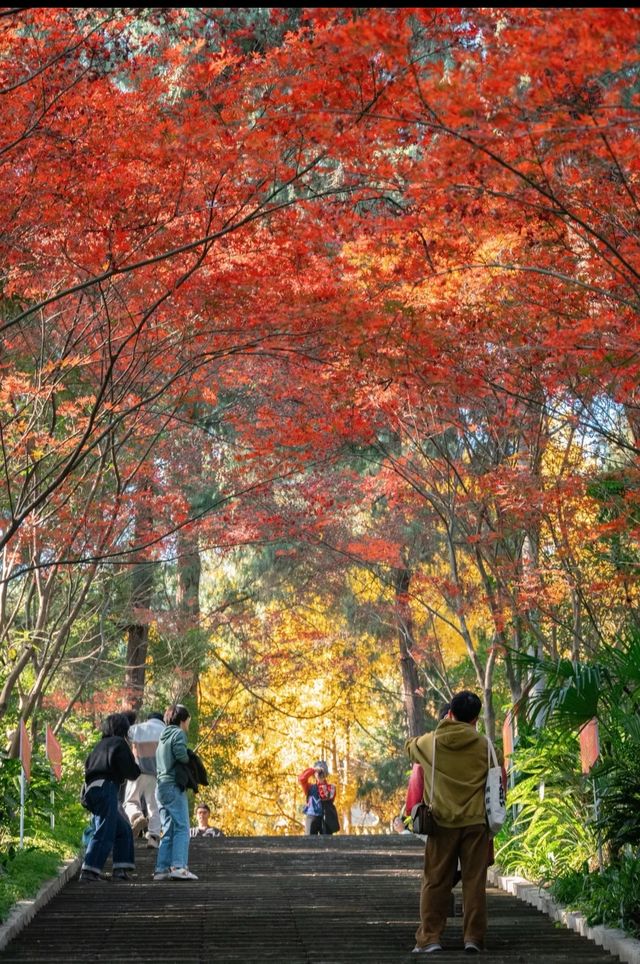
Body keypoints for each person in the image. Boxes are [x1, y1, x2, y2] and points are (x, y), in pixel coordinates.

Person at [406, 690, 499, 955]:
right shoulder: (484, 744)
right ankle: (473, 938)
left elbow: (409, 748)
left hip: (441, 822)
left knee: (435, 880)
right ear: (475, 718)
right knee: (474, 882)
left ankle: (430, 937)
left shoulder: (432, 742)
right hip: (475, 823)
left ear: (450, 713)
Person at [79, 712, 141, 882]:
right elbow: (132, 772)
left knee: (123, 829)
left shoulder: (100, 745)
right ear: (123, 729)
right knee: (105, 830)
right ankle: (89, 871)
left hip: (91, 790)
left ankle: (120, 869)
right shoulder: (119, 743)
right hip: (106, 787)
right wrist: (136, 760)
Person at [154, 703, 198, 881]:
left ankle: (161, 868)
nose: (188, 725)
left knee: (168, 828)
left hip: (160, 787)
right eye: (188, 721)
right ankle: (179, 866)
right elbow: (180, 755)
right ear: (182, 720)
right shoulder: (178, 733)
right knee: (182, 827)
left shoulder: (162, 735)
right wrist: (190, 758)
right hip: (173, 785)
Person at [123, 711, 165, 848]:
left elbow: (125, 737)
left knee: (130, 800)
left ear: (148, 719)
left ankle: (136, 816)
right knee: (154, 806)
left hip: (137, 771)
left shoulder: (137, 729)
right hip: (155, 775)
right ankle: (153, 837)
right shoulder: (165, 731)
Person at [298, 760, 339, 835]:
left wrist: (322, 782)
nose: (320, 774)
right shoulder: (310, 787)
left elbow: (325, 796)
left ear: (326, 774)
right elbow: (301, 779)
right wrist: (313, 770)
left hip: (325, 818)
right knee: (309, 843)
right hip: (311, 816)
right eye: (318, 773)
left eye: (322, 772)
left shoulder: (331, 788)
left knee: (327, 843)